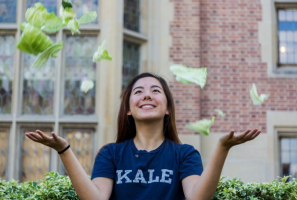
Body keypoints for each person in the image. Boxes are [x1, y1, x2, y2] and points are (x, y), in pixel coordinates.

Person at [25, 72, 261, 200]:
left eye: (155, 91)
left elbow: (197, 197)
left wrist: (222, 148)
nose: (147, 96)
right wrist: (64, 150)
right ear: (129, 109)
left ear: (167, 107)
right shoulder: (111, 154)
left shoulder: (185, 154)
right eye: (139, 92)